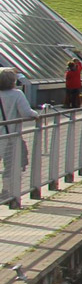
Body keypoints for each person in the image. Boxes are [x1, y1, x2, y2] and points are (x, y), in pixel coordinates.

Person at [0, 69, 44, 206]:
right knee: (11, 165)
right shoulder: (17, 94)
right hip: (10, 136)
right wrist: (36, 114)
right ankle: (7, 192)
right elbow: (26, 112)